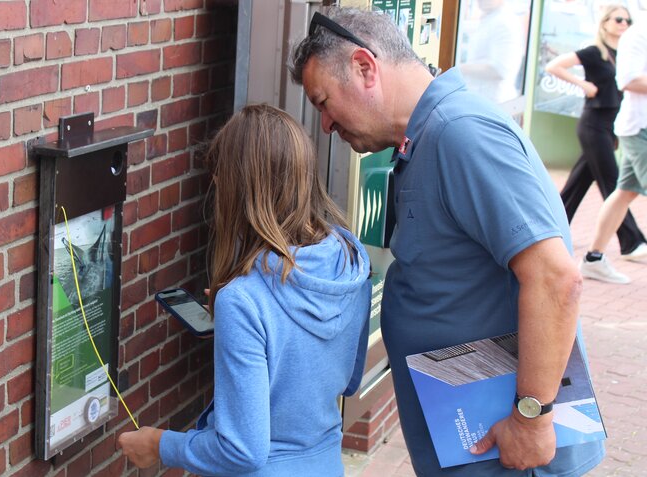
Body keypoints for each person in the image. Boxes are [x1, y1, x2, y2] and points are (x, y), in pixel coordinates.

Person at [291, 7, 604, 476]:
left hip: (506, 446)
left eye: (323, 102)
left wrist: (532, 419)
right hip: (469, 433)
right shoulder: (425, 137)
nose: (326, 127)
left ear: (364, 67)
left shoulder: (461, 134)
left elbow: (556, 278)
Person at [116, 104, 373, 476]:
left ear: (240, 191)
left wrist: (159, 445)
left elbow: (242, 450)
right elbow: (346, 380)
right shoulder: (350, 264)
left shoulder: (243, 300)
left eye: (220, 184)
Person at [545, 5, 646, 283]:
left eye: (627, 19)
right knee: (612, 181)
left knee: (581, 185)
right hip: (593, 124)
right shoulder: (594, 51)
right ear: (605, 22)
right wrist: (583, 85)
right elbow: (554, 66)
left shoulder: (619, 53)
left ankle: (552, 227)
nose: (623, 23)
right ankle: (632, 241)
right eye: (618, 19)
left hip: (611, 125)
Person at [581, 17, 647, 285]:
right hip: (639, 128)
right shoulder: (638, 34)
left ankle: (593, 259)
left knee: (625, 192)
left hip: (636, 127)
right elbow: (629, 80)